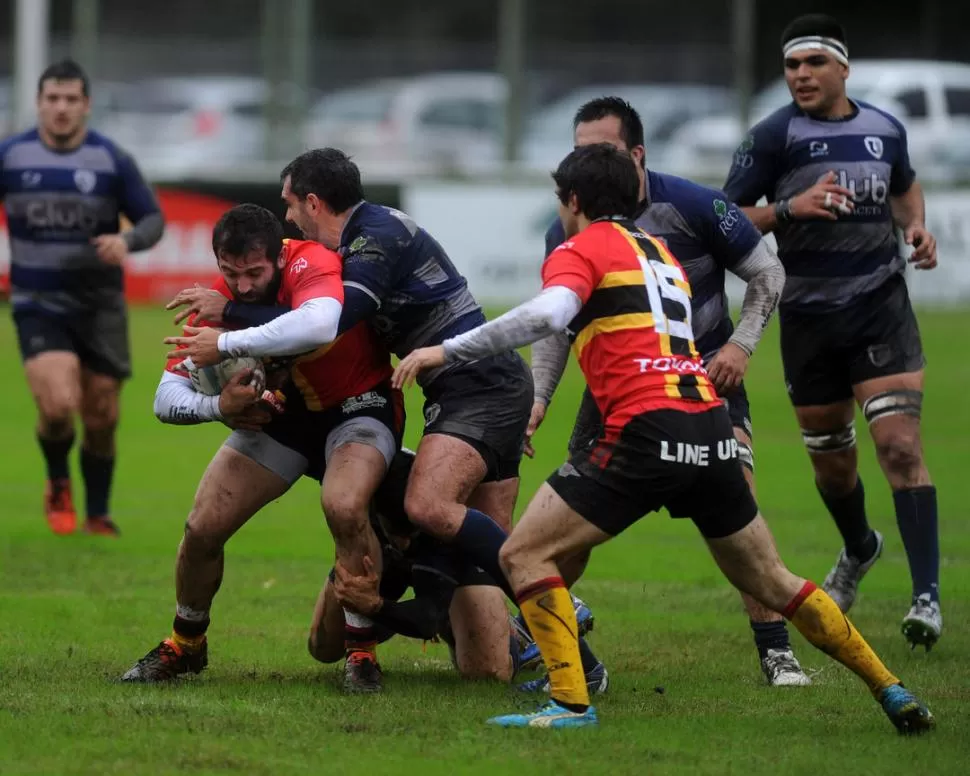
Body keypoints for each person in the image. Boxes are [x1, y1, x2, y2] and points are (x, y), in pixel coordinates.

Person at [393, 143, 934, 734]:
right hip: (709, 422)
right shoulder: (661, 252)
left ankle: (571, 703)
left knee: (522, 553)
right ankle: (891, 689)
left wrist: (445, 349)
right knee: (776, 580)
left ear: (572, 201)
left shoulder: (581, 246)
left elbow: (549, 316)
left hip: (642, 431)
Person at [525, 96, 808, 686]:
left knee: (739, 500)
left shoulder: (695, 204)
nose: (587, 163)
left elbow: (768, 272)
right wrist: (540, 397)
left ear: (636, 154)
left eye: (600, 151)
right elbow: (557, 321)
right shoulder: (567, 225)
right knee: (565, 522)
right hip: (615, 391)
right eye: (579, 152)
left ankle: (776, 648)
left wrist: (741, 347)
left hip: (704, 378)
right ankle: (546, 640)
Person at [722, 14, 942, 650]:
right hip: (810, 321)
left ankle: (927, 597)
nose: (801, 75)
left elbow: (905, 187)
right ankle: (859, 547)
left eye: (814, 63)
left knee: (899, 447)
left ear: (843, 68)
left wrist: (917, 228)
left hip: (880, 307)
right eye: (792, 66)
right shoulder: (772, 137)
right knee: (833, 471)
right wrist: (790, 207)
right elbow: (726, 216)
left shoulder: (882, 129)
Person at [121, 205, 404, 693]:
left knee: (344, 505)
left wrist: (230, 332)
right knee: (203, 524)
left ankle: (361, 654)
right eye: (232, 274)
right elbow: (164, 398)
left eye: (254, 272)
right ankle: (186, 643)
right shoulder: (217, 297)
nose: (244, 284)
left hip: (357, 405)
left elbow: (316, 324)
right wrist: (219, 406)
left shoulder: (309, 262)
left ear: (278, 256)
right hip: (285, 419)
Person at [275, 148, 533, 677]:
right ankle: (525, 631)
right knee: (486, 660)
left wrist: (233, 328)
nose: (287, 218)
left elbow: (331, 322)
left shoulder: (376, 237)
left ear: (314, 202)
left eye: (290, 204)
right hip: (473, 393)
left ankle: (548, 599)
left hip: (479, 385)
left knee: (429, 505)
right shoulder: (347, 248)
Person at [0, 59, 164, 536]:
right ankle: (57, 481)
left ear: (86, 105)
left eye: (71, 99)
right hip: (37, 301)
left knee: (102, 415)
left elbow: (152, 220)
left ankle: (96, 513)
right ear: (39, 103)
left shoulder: (111, 160)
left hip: (100, 306)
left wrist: (126, 242)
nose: (61, 108)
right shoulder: (12, 156)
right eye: (52, 98)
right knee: (56, 406)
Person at [313, 447, 608, 693]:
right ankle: (456, 620)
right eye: (394, 531)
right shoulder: (363, 506)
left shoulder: (434, 520)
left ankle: (518, 632)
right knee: (323, 647)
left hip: (451, 566)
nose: (402, 540)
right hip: (395, 561)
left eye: (409, 532)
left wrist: (376, 606)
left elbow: (427, 618)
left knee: (488, 671)